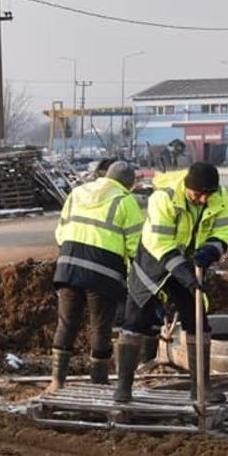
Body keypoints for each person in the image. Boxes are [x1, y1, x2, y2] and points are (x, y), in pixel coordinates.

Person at [114, 162, 228, 403]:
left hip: (189, 259)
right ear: (187, 187)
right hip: (154, 260)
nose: (202, 200)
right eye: (197, 194)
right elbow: (160, 242)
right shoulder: (164, 197)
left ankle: (200, 387)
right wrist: (185, 275)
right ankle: (123, 388)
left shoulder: (218, 196)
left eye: (207, 195)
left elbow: (225, 232)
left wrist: (211, 250)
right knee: (137, 318)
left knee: (197, 319)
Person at [48, 161, 144, 392]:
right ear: (128, 185)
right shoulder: (126, 201)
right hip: (104, 273)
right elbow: (135, 246)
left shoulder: (77, 192)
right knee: (100, 327)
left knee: (66, 323)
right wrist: (134, 279)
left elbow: (60, 233)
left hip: (68, 267)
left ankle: (56, 381)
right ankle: (98, 384)